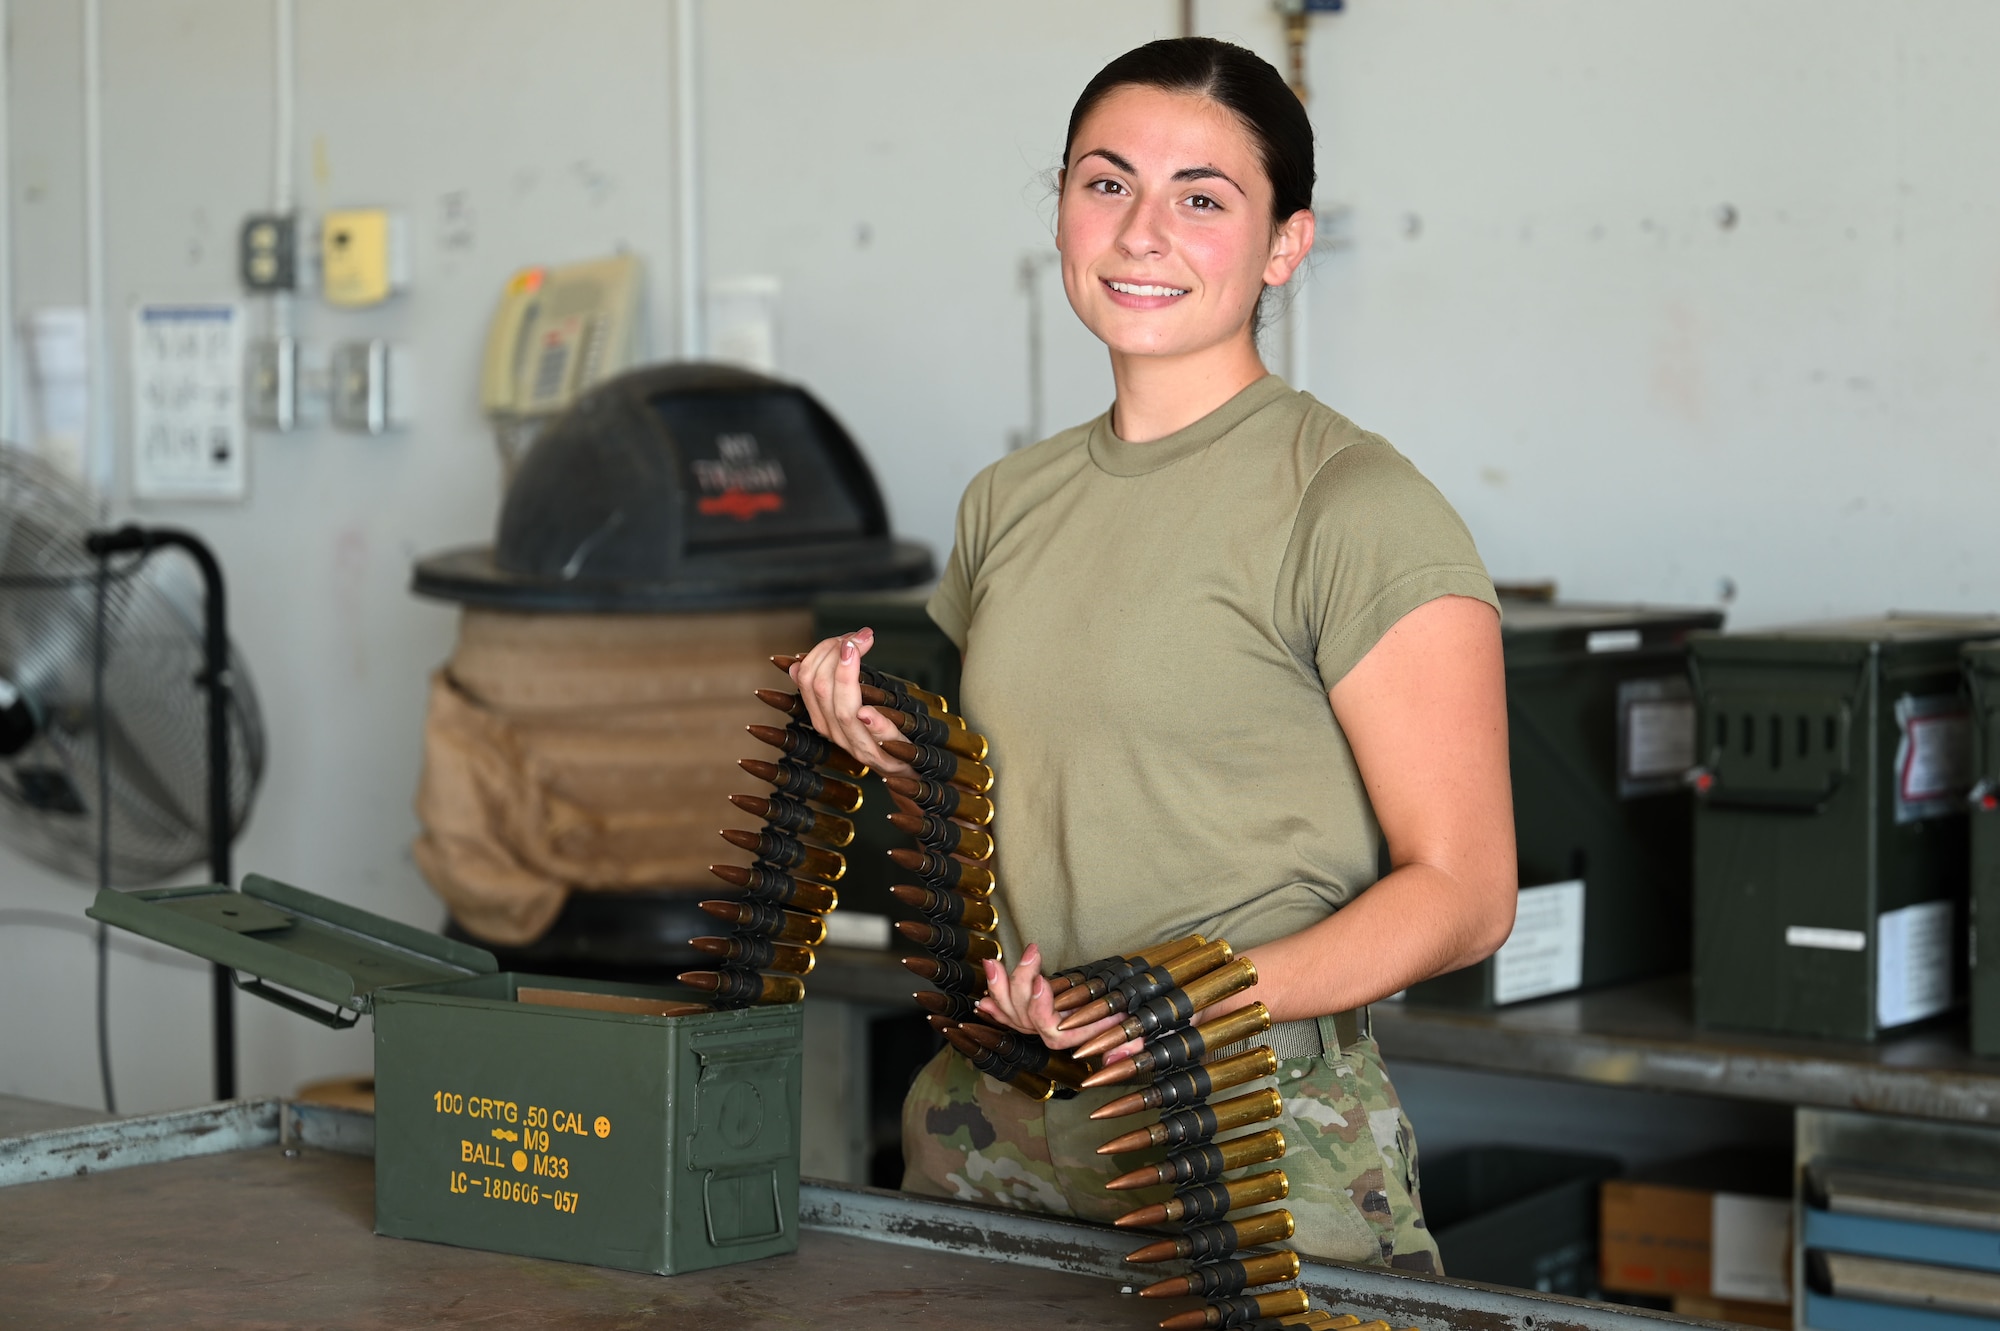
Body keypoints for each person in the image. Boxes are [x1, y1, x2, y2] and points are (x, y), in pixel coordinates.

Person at [789, 35, 1515, 1274]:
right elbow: (1047, 801)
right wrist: (889, 749)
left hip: (1244, 1138)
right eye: (1105, 182)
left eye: (1201, 198)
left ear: (1285, 243)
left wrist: (1186, 998)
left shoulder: (1351, 505)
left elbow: (1463, 892)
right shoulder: (1006, 501)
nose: (1139, 232)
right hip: (993, 1122)